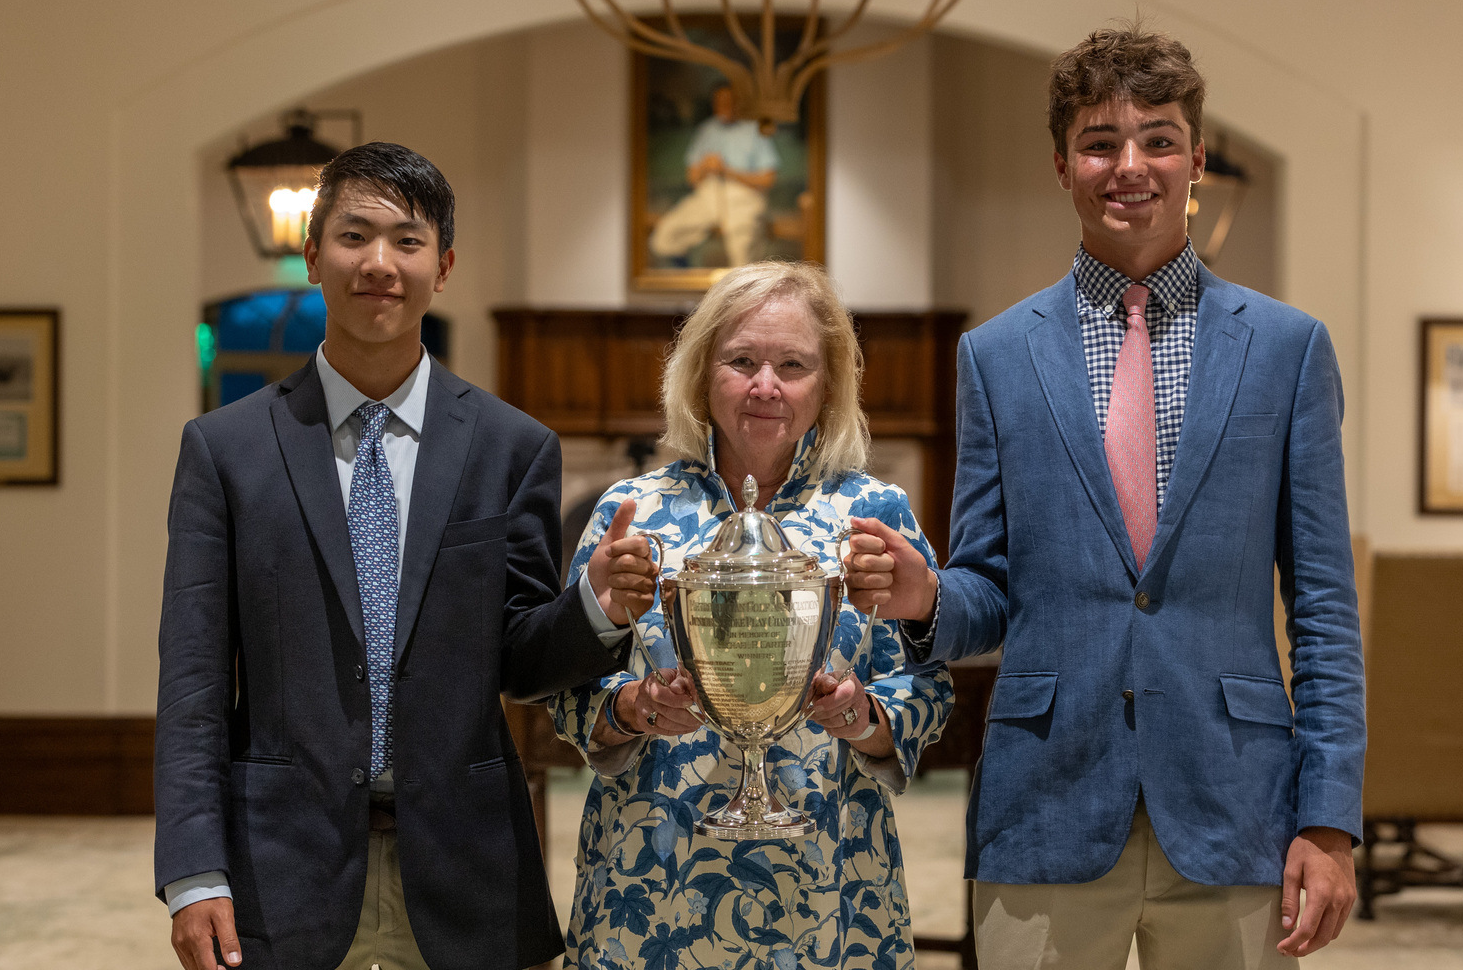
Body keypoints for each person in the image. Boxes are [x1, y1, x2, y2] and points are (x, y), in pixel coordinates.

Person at [844, 27, 1366, 970]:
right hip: (1046, 802)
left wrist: (1329, 821)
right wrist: (928, 600)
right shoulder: (995, 356)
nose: (1131, 166)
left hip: (1236, 806)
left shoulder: (1289, 350)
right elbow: (988, 588)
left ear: (1196, 159)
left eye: (1158, 139)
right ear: (1061, 165)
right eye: (1100, 142)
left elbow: (1324, 607)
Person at [154, 142, 630, 970]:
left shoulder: (512, 448)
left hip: (465, 866)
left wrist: (593, 605)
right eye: (355, 236)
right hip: (279, 865)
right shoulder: (224, 451)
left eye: (407, 241)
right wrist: (194, 873)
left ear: (442, 267)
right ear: (311, 255)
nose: (380, 263)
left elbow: (517, 658)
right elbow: (193, 682)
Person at [548, 261, 954, 970]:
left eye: (792, 364)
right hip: (653, 884)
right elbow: (569, 696)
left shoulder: (874, 515)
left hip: (829, 886)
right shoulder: (631, 514)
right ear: (704, 372)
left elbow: (929, 687)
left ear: (827, 384)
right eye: (742, 360)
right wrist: (636, 707)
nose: (766, 385)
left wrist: (864, 716)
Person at [649, 85, 778, 267]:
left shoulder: (754, 129)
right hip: (709, 193)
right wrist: (705, 166)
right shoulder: (707, 130)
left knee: (742, 244)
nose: (724, 106)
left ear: (738, 102)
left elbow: (768, 179)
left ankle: (741, 290)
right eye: (719, 102)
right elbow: (692, 178)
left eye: (729, 101)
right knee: (667, 234)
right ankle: (686, 276)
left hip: (744, 196)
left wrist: (727, 170)